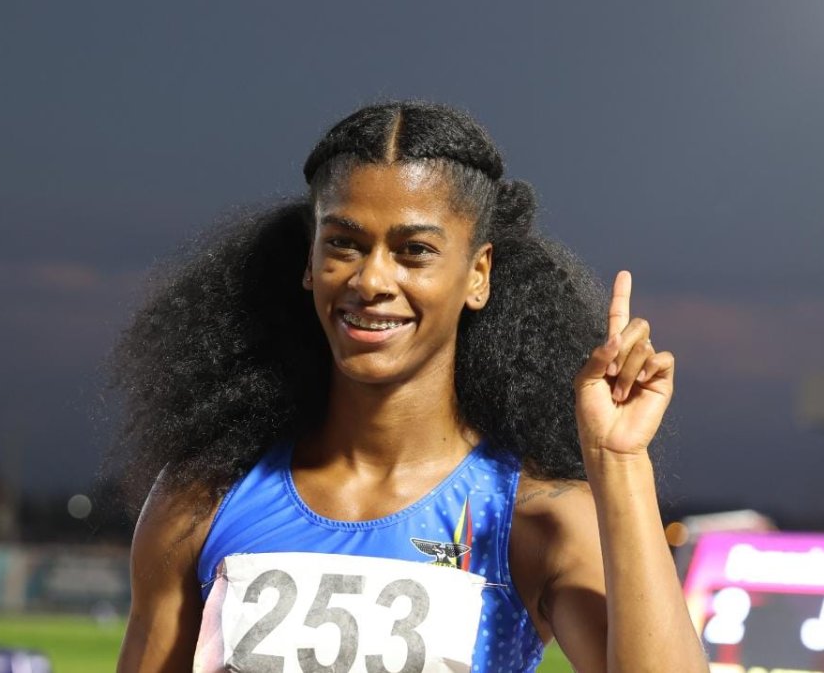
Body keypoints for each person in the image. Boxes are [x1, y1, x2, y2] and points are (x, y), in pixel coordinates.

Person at [110, 100, 708, 672]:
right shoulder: (203, 500)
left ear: (478, 274)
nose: (371, 280)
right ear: (309, 260)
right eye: (343, 244)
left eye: (414, 250)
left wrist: (619, 461)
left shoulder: (531, 518)